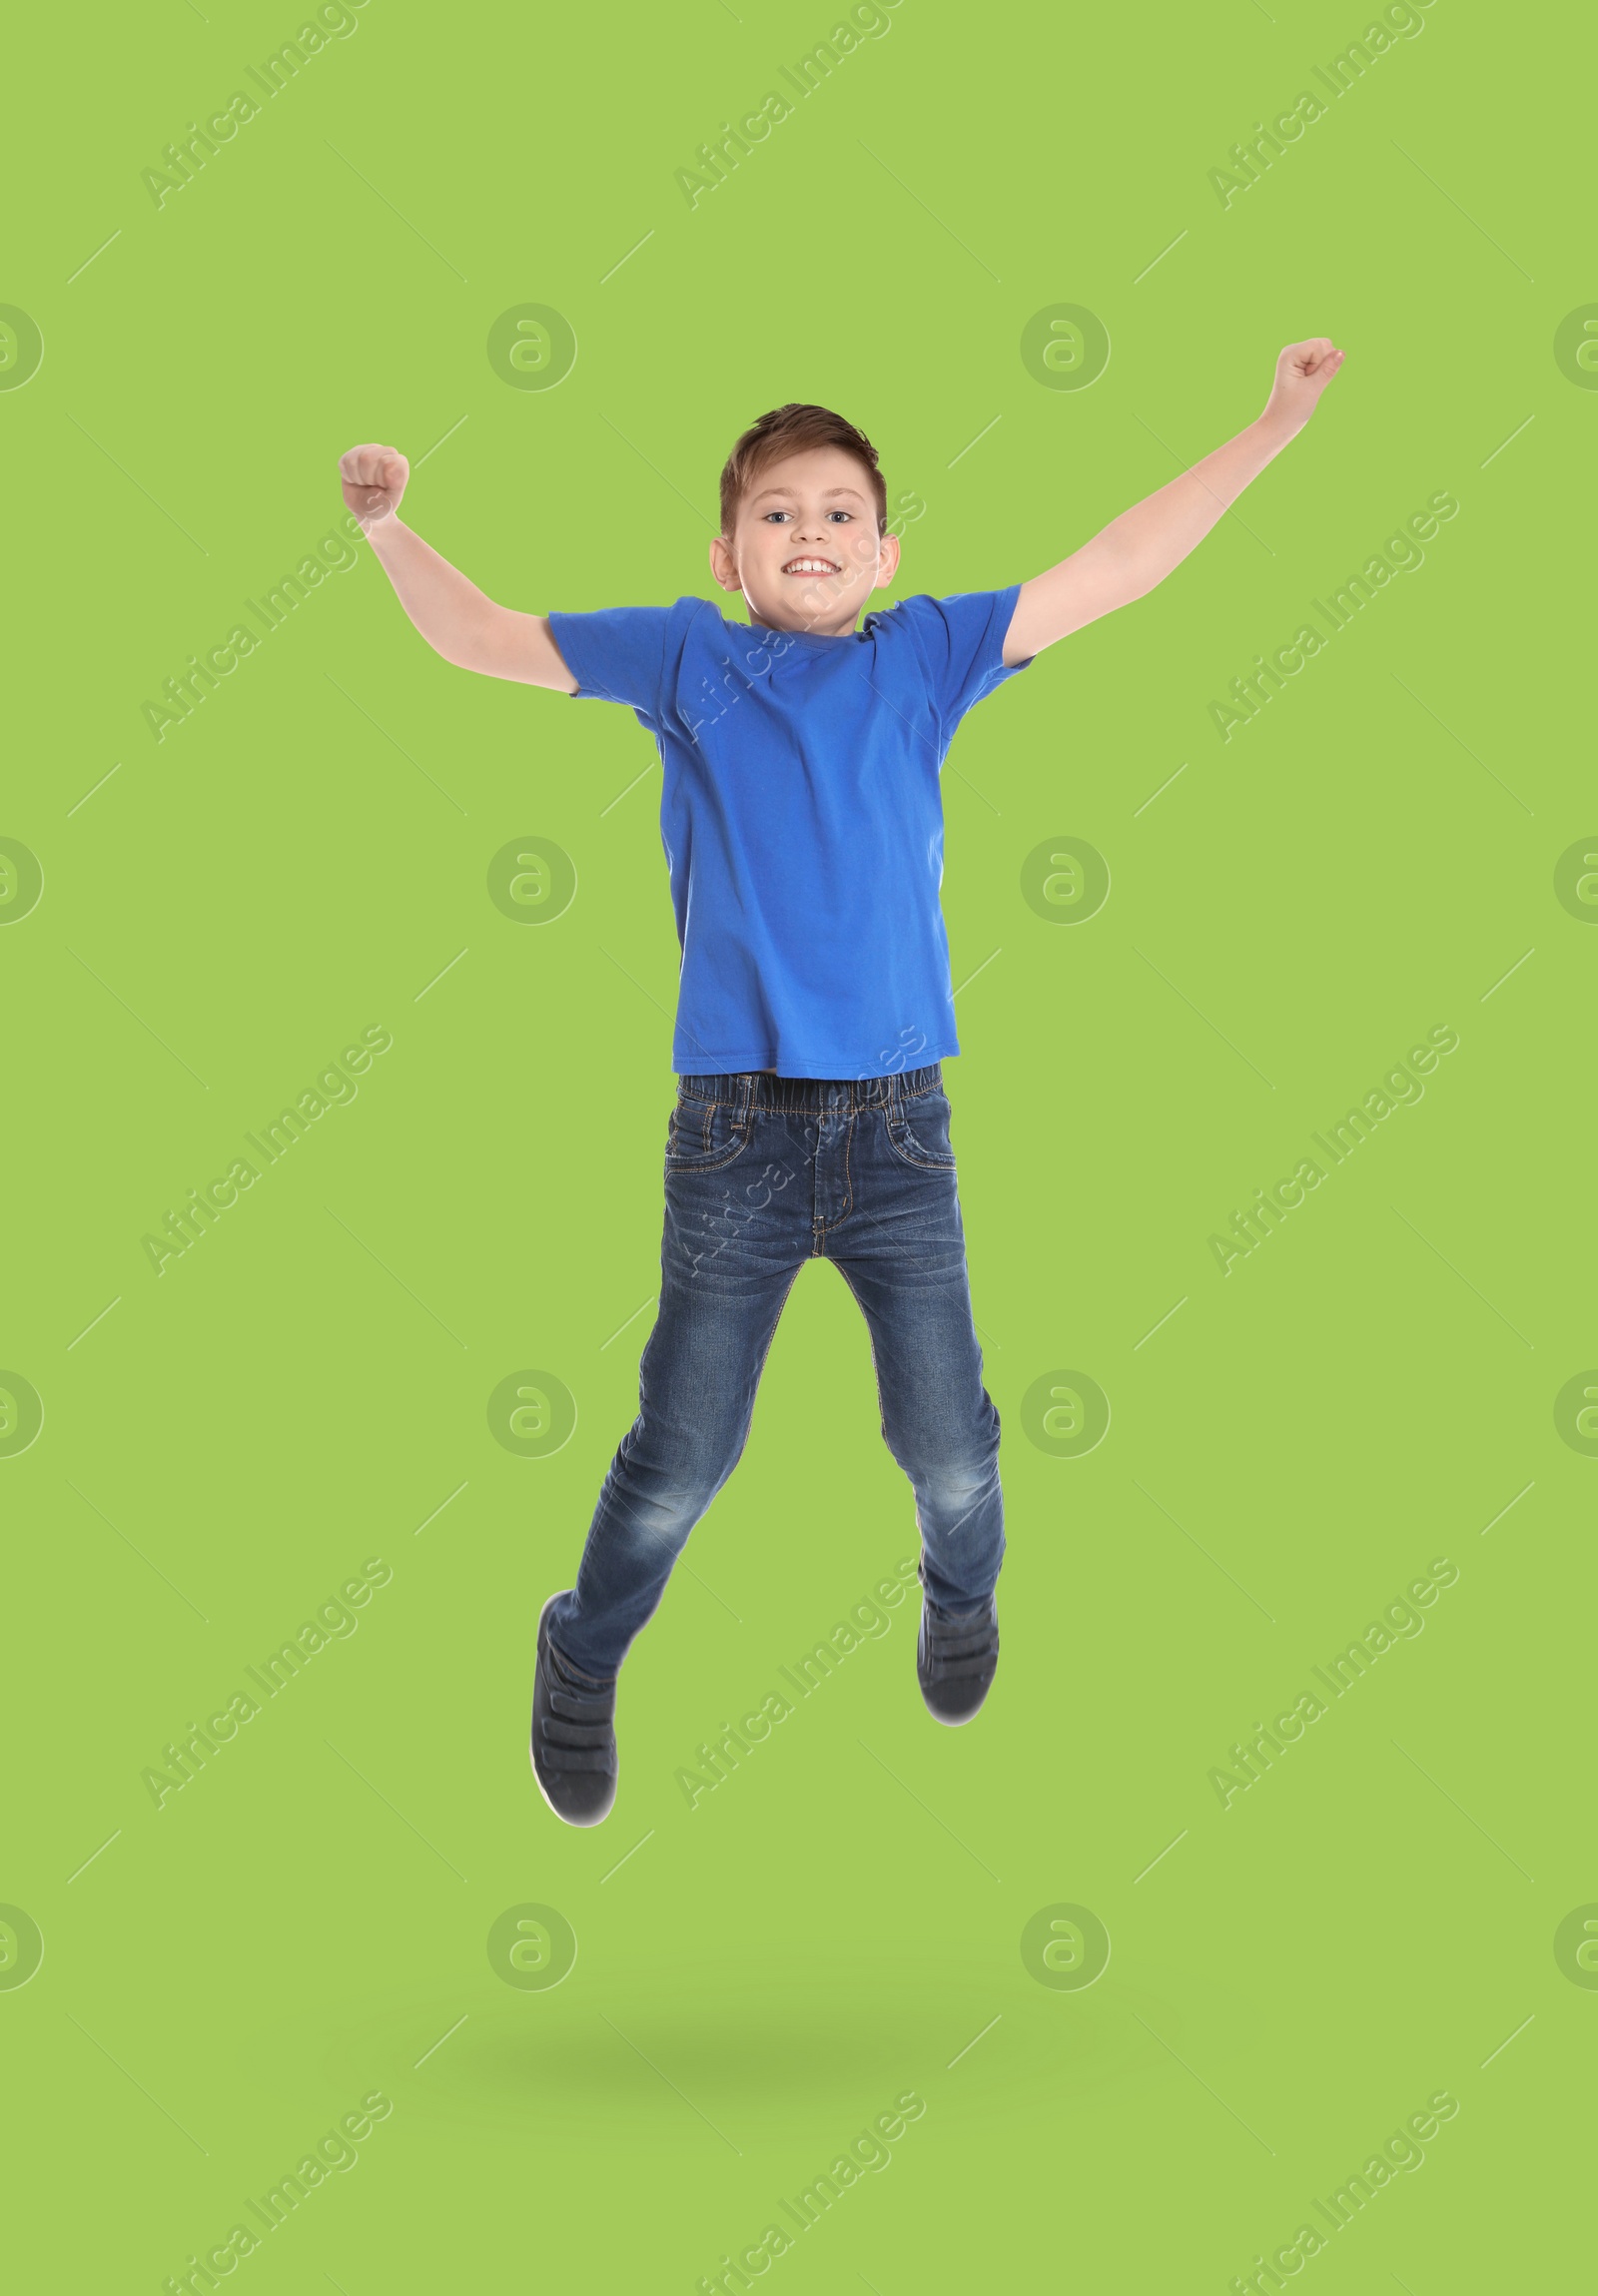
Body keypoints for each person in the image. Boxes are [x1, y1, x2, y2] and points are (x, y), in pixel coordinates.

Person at [338, 339, 1344, 1825]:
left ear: (885, 549)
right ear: (726, 551)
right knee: (683, 1454)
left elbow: (1121, 561)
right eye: (777, 513)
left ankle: (961, 1597)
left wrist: (1272, 425)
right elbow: (483, 637)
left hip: (896, 1134)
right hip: (734, 1138)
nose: (809, 533)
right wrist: (386, 530)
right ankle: (582, 1644)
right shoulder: (687, 658)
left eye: (838, 512)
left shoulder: (927, 657)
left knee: (947, 1444)